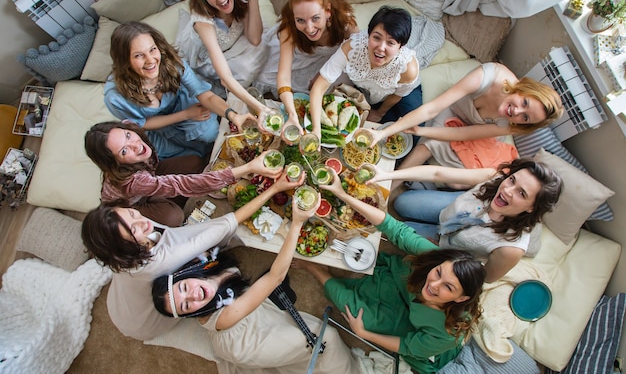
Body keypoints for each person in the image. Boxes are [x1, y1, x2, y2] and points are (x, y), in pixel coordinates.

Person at [295, 171, 486, 374]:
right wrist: (343, 195)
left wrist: (363, 333)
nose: (433, 284)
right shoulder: (437, 259)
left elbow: (407, 346)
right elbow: (393, 228)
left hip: (409, 326)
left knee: (354, 312)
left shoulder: (447, 333)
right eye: (438, 273)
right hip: (404, 286)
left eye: (448, 287)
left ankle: (315, 269)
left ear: (461, 298)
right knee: (370, 255)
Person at [81, 168, 304, 341]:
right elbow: (229, 223)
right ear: (123, 249)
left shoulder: (118, 252)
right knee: (184, 298)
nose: (141, 221)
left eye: (132, 213)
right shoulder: (168, 257)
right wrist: (274, 190)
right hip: (142, 321)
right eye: (134, 229)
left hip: (120, 301)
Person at [152, 194, 362, 374]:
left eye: (184, 289)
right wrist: (297, 223)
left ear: (183, 276)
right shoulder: (227, 316)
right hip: (246, 344)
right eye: (186, 305)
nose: (194, 295)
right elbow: (275, 277)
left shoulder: (201, 266)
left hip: (248, 316)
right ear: (190, 314)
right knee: (327, 340)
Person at [371, 158, 563, 283]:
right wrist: (387, 176)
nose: (507, 190)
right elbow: (437, 174)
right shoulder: (493, 178)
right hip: (451, 211)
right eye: (512, 180)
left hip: (452, 248)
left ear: (531, 207)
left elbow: (483, 278)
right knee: (402, 203)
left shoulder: (510, 249)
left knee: (400, 233)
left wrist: (444, 256)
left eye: (522, 193)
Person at [368, 62, 564, 174]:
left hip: (475, 131)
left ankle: (391, 186)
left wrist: (421, 130)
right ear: (524, 89)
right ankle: (395, 181)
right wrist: (384, 133)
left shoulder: (511, 124)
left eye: (526, 117)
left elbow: (464, 133)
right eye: (525, 103)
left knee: (463, 174)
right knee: (428, 144)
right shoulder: (489, 75)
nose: (517, 112)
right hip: (455, 109)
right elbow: (432, 109)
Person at [85, 121, 282, 227]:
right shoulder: (132, 181)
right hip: (134, 201)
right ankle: (171, 212)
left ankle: (169, 198)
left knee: (194, 162)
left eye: (128, 136)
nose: (135, 145)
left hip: (150, 177)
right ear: (115, 162)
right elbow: (183, 184)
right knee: (175, 217)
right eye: (124, 151)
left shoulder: (131, 129)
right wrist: (248, 168)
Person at [104, 21, 252, 160]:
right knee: (186, 159)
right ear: (124, 60)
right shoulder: (115, 98)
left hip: (183, 103)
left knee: (210, 134)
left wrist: (233, 116)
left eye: (152, 49)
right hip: (157, 127)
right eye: (139, 56)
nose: (151, 60)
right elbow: (141, 124)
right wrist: (186, 115)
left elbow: (205, 95)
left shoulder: (171, 63)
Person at [163, 0, 270, 116]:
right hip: (203, 57)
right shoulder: (204, 23)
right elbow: (225, 77)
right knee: (244, 70)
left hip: (231, 44)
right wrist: (261, 108)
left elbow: (254, 38)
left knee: (266, 44)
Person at [253, 0, 358, 135]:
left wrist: (323, 73)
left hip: (335, 59)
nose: (309, 28)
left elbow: (354, 52)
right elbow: (283, 76)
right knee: (263, 74)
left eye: (315, 18)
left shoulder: (345, 22)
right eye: (300, 20)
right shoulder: (288, 28)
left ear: (328, 11)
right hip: (302, 56)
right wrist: (292, 114)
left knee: (335, 89)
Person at [309, 5, 421, 138]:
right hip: (368, 91)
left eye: (390, 43)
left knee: (411, 132)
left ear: (401, 46)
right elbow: (320, 85)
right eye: (376, 38)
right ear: (369, 35)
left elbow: (397, 95)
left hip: (399, 93)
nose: (381, 48)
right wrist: (316, 130)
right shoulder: (351, 47)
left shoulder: (408, 69)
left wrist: (379, 113)